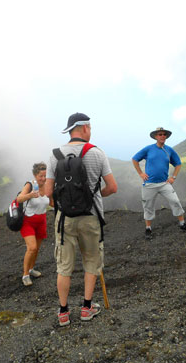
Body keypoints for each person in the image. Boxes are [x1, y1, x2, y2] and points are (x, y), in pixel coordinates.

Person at [45, 112, 117, 326]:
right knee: (92, 262)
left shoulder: (54, 155)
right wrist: (95, 196)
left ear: (71, 130)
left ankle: (63, 312)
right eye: (90, 127)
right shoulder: (97, 153)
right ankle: (86, 308)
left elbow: (48, 190)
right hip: (91, 217)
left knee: (64, 266)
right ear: (84, 128)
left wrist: (60, 203)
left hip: (64, 218)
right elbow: (112, 187)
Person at [132, 127, 186, 240]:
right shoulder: (149, 149)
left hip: (164, 183)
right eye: (160, 134)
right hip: (149, 184)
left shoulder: (169, 150)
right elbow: (135, 159)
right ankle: (148, 228)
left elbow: (178, 164)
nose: (162, 136)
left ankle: (182, 224)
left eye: (164, 134)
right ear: (156, 136)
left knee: (175, 201)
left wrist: (173, 177)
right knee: (148, 206)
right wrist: (141, 173)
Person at [17, 162, 51, 286]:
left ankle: (31, 269)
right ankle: (25, 275)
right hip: (28, 221)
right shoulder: (30, 185)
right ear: (35, 175)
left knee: (37, 249)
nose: (43, 179)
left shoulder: (48, 185)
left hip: (42, 221)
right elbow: (19, 199)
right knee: (32, 248)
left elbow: (51, 202)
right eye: (40, 176)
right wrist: (30, 195)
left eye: (44, 176)